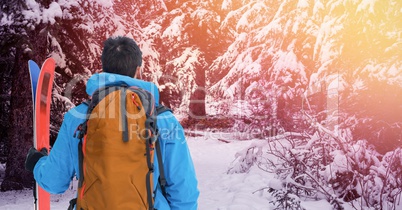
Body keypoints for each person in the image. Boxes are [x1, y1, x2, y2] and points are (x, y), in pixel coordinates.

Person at [25, 36, 199, 209]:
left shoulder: (78, 116)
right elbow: (184, 191)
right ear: (138, 70)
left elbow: (55, 181)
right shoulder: (164, 119)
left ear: (104, 69)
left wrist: (37, 163)